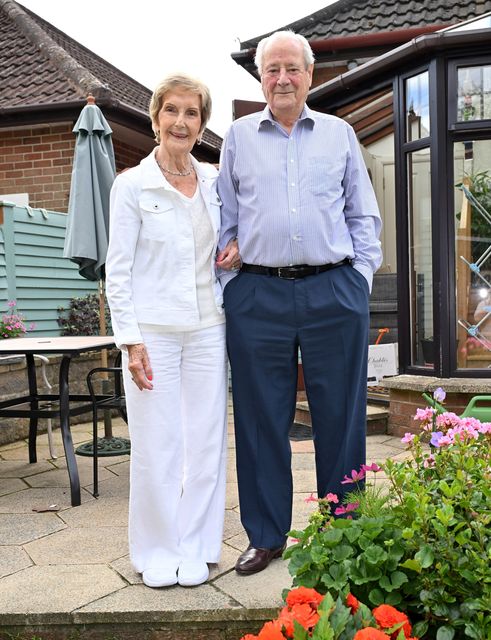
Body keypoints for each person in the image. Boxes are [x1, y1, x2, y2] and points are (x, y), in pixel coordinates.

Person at [216, 30, 383, 576]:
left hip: (332, 288)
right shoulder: (238, 137)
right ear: (260, 78)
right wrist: (231, 283)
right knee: (262, 420)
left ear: (311, 76)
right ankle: (266, 536)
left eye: (292, 68)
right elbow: (226, 219)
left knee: (341, 415)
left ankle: (343, 530)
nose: (282, 79)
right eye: (271, 70)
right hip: (257, 293)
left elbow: (363, 215)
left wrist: (359, 277)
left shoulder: (340, 134)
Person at [106, 73, 238, 588]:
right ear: (156, 116)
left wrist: (238, 251)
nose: (181, 122)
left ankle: (199, 546)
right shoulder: (131, 185)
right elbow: (117, 271)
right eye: (173, 111)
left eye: (192, 113)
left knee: (205, 443)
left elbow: (229, 240)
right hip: (153, 334)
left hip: (209, 328)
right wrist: (130, 340)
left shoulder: (212, 181)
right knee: (158, 444)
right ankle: (157, 550)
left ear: (201, 124)